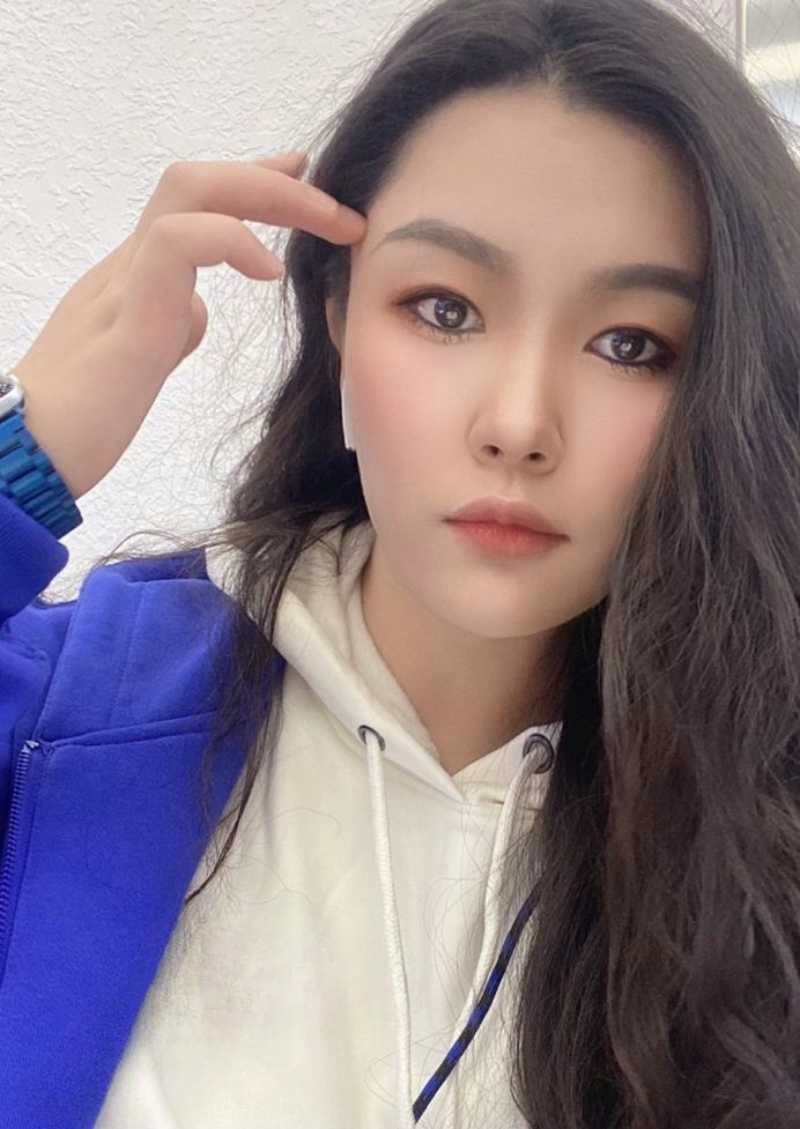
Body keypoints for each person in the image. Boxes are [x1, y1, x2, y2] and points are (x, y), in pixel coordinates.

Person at [1, 0, 798, 1124]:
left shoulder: (759, 811)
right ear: (337, 318)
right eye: (445, 308)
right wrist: (23, 457)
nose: (518, 424)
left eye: (630, 344)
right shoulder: (71, 715)